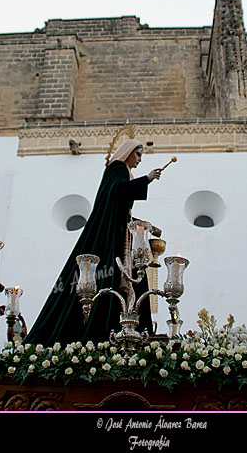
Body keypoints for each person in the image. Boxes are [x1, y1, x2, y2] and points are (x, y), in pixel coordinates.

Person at [25, 139, 163, 346]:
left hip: (120, 232)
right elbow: (116, 192)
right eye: (138, 154)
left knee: (134, 277)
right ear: (127, 152)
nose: (140, 159)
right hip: (112, 237)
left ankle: (133, 329)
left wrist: (146, 226)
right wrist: (147, 179)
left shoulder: (123, 171)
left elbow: (120, 211)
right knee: (116, 277)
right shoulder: (116, 168)